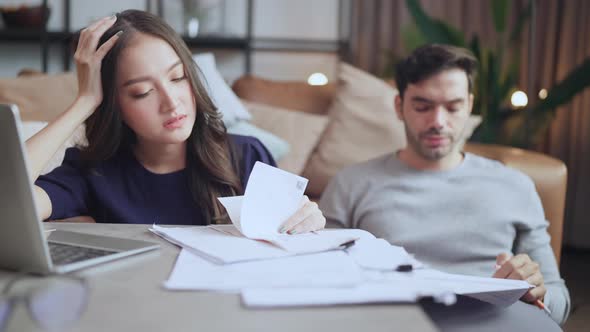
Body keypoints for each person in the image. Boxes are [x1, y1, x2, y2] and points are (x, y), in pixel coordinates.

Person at [319, 44, 570, 325]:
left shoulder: (515, 185)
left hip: (500, 321)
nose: (438, 122)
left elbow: (558, 305)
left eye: (453, 107)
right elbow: (315, 281)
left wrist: (538, 293)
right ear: (399, 107)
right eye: (423, 106)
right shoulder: (351, 183)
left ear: (470, 106)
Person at [26, 10, 325, 233]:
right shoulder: (89, 171)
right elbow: (8, 204)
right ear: (113, 105)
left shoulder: (246, 156)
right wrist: (85, 102)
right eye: (142, 92)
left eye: (178, 77)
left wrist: (306, 224)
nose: (172, 102)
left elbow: (289, 251)